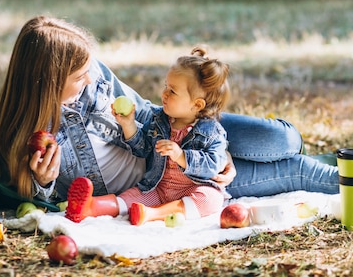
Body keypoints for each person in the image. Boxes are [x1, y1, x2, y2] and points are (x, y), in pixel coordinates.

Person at [0, 16, 353, 220]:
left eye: (92, 68)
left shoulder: (92, 76)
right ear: (46, 81)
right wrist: (44, 185)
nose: (92, 78)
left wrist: (209, 151)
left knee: (281, 141)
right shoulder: (33, 141)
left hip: (182, 128)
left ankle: (266, 145)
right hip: (173, 181)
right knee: (303, 174)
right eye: (79, 75)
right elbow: (32, 200)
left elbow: (144, 113)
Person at [65, 46, 231, 225]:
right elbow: (142, 149)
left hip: (192, 188)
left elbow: (214, 165)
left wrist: (181, 156)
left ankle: (152, 214)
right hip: (157, 188)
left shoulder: (212, 132)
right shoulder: (159, 120)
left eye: (172, 91)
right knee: (129, 197)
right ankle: (92, 206)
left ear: (197, 105)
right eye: (166, 86)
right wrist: (128, 125)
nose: (164, 94)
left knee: (211, 199)